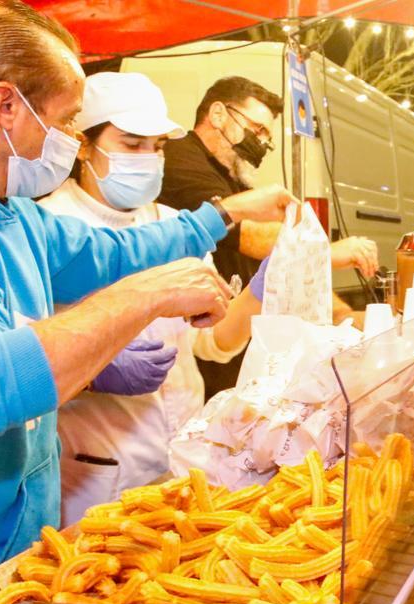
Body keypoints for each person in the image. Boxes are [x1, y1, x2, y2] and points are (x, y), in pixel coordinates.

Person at [0, 0, 293, 604]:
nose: (69, 142)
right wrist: (145, 297)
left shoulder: (4, 209)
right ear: (7, 105)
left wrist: (224, 214)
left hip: (1, 559)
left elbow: (113, 250)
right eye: (66, 122)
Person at [38, 72, 276, 524]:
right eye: (131, 145)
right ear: (83, 146)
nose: (148, 159)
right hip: (96, 471)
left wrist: (260, 291)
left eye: (158, 147)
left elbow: (211, 341)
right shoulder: (50, 225)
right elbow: (19, 364)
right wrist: (93, 366)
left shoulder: (173, 224)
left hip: (185, 463)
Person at [158, 76, 378, 397]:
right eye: (257, 128)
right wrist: (326, 251)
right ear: (218, 114)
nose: (261, 142)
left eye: (267, 137)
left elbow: (277, 260)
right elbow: (251, 238)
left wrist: (341, 313)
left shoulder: (235, 179)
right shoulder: (182, 162)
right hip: (200, 353)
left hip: (233, 339)